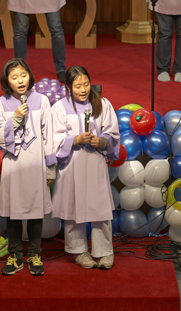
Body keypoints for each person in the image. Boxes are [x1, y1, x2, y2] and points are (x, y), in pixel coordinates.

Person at [0, 58, 56, 276]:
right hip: (13, 166)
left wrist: (50, 165)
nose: (20, 81)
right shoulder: (0, 104)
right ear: (7, 80)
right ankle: (15, 256)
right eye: (14, 77)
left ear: (30, 76)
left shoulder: (42, 101)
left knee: (35, 212)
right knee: (13, 212)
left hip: (35, 164)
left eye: (23, 75)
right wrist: (15, 119)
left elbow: (49, 134)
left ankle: (34, 255)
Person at [51, 66, 120, 270]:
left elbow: (112, 131)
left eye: (86, 84)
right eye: (77, 86)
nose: (83, 89)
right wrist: (76, 140)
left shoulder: (102, 104)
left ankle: (105, 251)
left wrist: (102, 141)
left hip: (95, 163)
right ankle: (78, 251)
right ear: (68, 87)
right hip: (72, 163)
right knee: (74, 207)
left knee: (100, 207)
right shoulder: (60, 107)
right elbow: (54, 137)